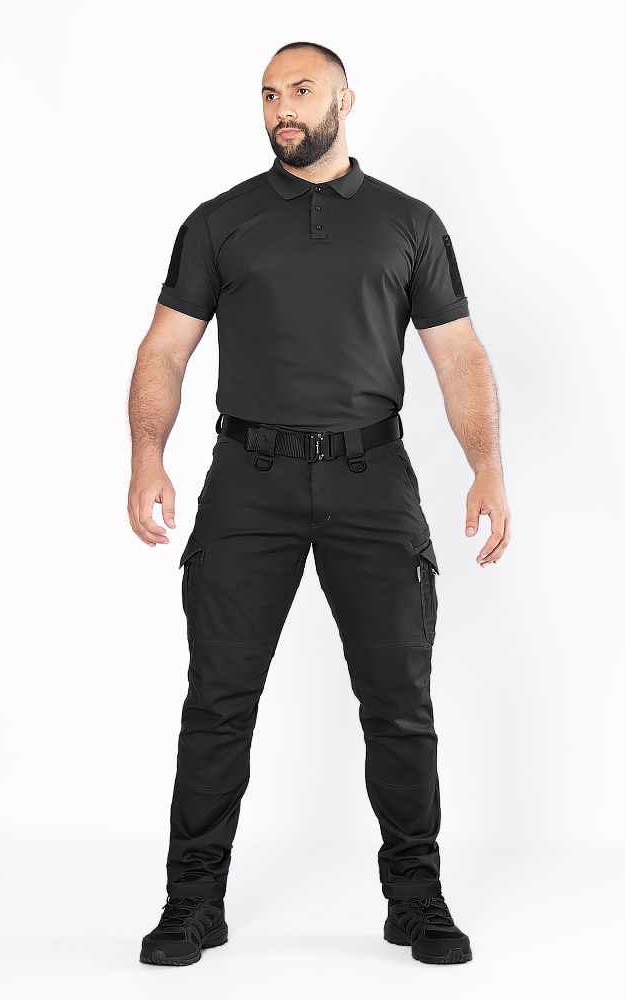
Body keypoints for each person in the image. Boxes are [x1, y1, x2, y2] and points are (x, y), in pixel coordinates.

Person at [127, 40, 510, 967]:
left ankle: (415, 899)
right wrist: (147, 456)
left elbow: (458, 353)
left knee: (399, 703)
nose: (282, 109)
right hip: (247, 482)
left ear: (345, 100)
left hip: (372, 480)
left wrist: (487, 465)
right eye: (269, 95)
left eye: (300, 91)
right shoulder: (220, 223)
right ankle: (192, 902)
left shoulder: (408, 224)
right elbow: (165, 349)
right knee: (219, 701)